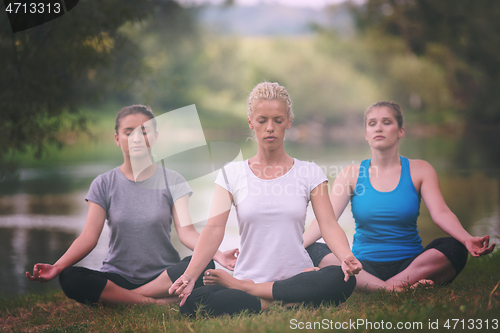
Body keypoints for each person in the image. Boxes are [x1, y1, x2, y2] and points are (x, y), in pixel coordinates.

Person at [168, 82, 362, 317]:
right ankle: (284, 301)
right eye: (262, 120)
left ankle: (258, 294)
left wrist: (345, 256)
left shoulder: (310, 172)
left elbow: (328, 224)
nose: (270, 128)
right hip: (248, 277)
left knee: (342, 279)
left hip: (296, 277)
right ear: (251, 122)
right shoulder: (232, 173)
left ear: (289, 122)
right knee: (193, 301)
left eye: (278, 120)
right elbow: (213, 230)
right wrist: (188, 275)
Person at [26, 105, 238, 305]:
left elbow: (187, 232)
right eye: (129, 132)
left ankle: (121, 299)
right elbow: (89, 238)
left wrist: (217, 254)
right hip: (118, 276)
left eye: (144, 132)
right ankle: (154, 303)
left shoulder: (173, 180)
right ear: (118, 139)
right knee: (70, 277)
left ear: (155, 137)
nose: (136, 138)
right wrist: (57, 266)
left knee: (203, 266)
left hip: (164, 276)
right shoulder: (103, 183)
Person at [303, 101, 496, 292]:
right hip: (362, 267)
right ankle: (394, 288)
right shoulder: (350, 174)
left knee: (455, 246)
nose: (379, 128)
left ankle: (381, 287)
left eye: (386, 122)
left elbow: (441, 213)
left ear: (401, 130)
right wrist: (298, 244)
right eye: (372, 124)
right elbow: (326, 221)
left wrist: (466, 239)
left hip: (411, 265)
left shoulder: (421, 170)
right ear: (366, 134)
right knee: (314, 249)